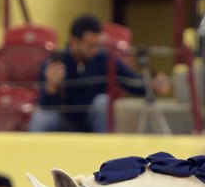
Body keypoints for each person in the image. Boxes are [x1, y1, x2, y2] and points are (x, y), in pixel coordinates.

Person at [29, 14, 171, 133]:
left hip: (92, 123)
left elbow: (131, 81)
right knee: (41, 117)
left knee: (103, 101)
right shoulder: (56, 61)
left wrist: (152, 85)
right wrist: (51, 88)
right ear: (74, 42)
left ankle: (105, 155)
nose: (95, 50)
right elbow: (44, 106)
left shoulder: (104, 59)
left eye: (98, 45)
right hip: (64, 123)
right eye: (90, 45)